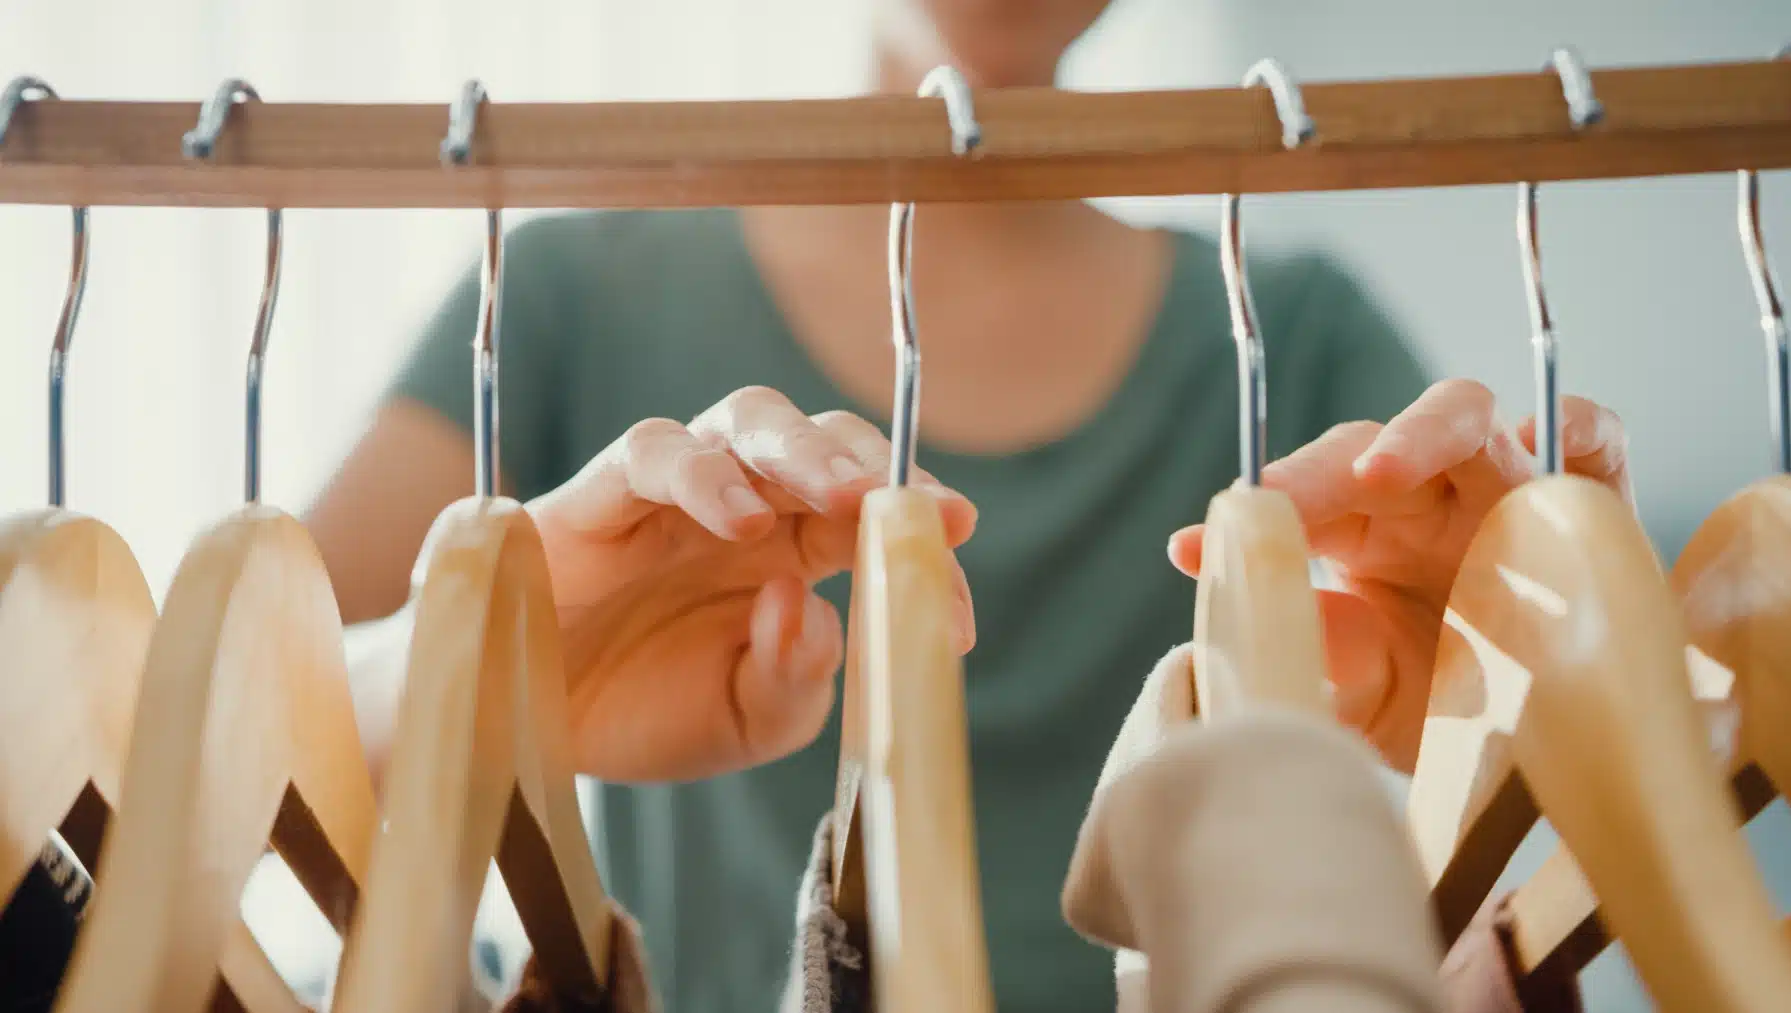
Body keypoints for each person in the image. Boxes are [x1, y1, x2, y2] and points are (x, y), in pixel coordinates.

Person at [310, 1, 1632, 1011]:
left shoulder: (1292, 330)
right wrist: (479, 659)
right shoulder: (566, 295)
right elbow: (225, 707)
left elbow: (1607, 801)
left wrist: (1569, 669)